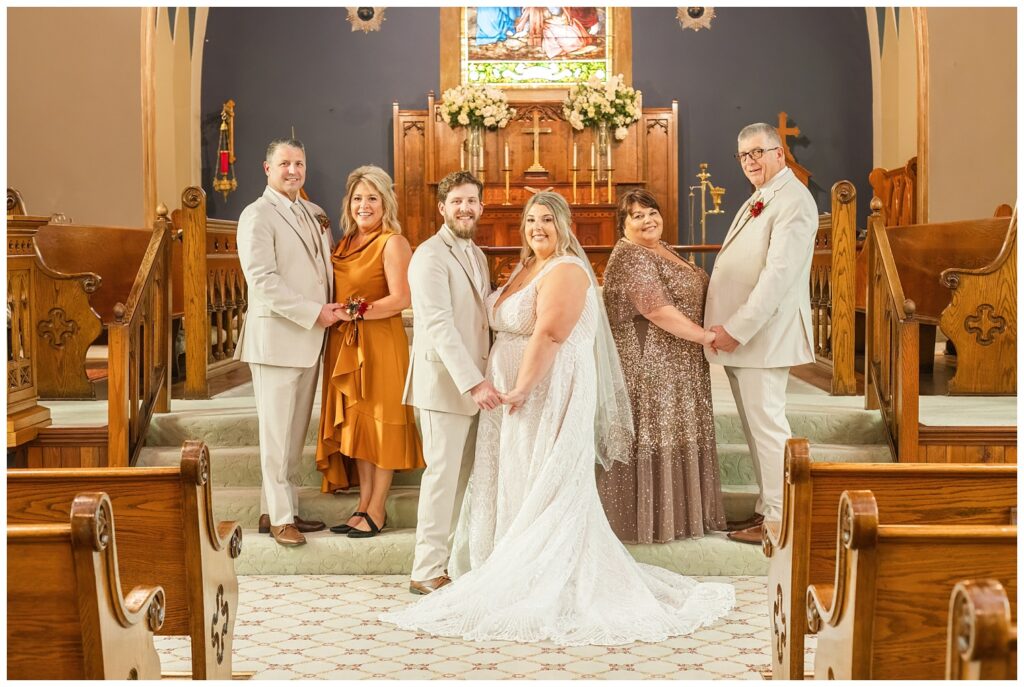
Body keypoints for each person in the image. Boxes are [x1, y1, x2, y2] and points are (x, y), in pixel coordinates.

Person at [381, 192, 734, 645]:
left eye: (547, 219)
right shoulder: (522, 268)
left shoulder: (566, 269)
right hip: (513, 392)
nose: (537, 227)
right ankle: (502, 558)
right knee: (519, 478)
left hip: (547, 389)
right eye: (531, 219)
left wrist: (523, 388)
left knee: (545, 480)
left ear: (564, 225)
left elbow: (549, 333)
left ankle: (537, 572)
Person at [705, 123, 818, 545]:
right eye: (743, 156)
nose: (750, 162)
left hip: (762, 337)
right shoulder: (763, 196)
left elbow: (778, 278)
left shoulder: (793, 201)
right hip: (749, 342)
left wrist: (736, 328)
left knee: (768, 428)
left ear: (779, 153)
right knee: (756, 428)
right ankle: (767, 509)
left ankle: (781, 520)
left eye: (758, 152)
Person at [597, 189, 727, 543]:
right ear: (622, 225)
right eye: (636, 215)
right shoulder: (631, 256)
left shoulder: (662, 248)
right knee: (653, 434)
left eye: (651, 211)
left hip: (677, 363)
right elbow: (656, 309)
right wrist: (705, 337)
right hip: (650, 364)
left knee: (673, 431)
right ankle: (645, 523)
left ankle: (680, 517)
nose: (647, 220)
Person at [234, 138, 338, 547]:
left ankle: (278, 509)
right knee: (276, 434)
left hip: (311, 338)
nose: (293, 170)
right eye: (284, 164)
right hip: (278, 338)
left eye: (299, 163)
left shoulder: (313, 212)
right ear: (267, 169)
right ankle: (280, 519)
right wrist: (315, 312)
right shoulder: (256, 215)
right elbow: (262, 282)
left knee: (294, 434)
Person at [316, 165, 424, 538]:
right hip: (346, 345)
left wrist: (355, 311)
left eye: (372, 198)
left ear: (385, 203)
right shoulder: (344, 243)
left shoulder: (392, 242)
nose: (364, 205)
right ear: (349, 203)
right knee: (360, 425)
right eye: (358, 198)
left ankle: (378, 508)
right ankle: (362, 503)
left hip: (380, 342)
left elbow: (401, 298)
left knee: (381, 423)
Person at [404, 171, 498, 594]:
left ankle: (448, 562)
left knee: (461, 478)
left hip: (473, 382)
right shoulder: (428, 255)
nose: (465, 208)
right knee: (441, 477)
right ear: (441, 208)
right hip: (445, 385)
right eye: (456, 201)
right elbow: (440, 326)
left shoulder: (476, 254)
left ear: (481, 206)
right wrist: (473, 382)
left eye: (471, 201)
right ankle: (425, 571)